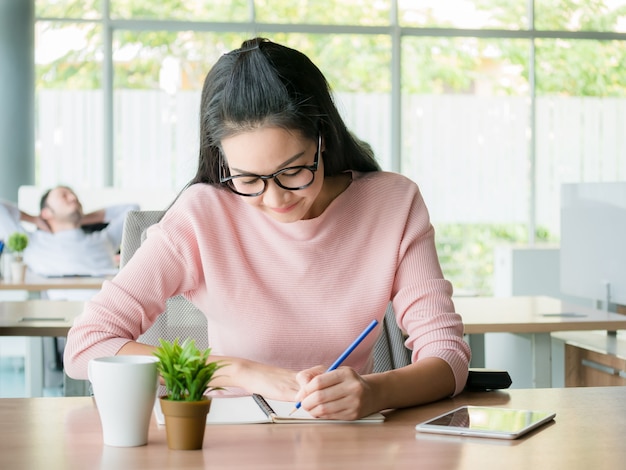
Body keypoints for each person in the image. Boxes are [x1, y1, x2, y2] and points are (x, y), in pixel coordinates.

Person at [64, 37, 471, 420]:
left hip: (345, 441)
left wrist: (374, 392)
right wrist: (241, 372)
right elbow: (87, 345)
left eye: (293, 171)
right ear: (222, 162)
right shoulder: (203, 215)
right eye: (248, 179)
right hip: (231, 442)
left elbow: (447, 356)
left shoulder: (392, 205)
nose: (275, 199)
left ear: (321, 138)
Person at [0, 185, 139, 299]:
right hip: (64, 321)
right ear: (46, 212)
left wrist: (82, 218)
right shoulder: (33, 243)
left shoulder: (103, 240)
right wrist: (34, 219)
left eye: (74, 196)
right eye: (64, 195)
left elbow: (133, 209)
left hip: (109, 315)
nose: (73, 198)